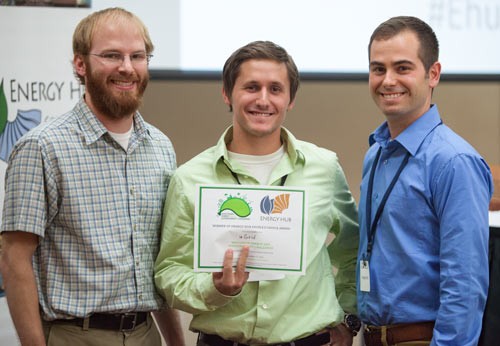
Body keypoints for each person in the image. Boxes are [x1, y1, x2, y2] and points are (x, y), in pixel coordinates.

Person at [154, 40, 360, 346]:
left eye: (275, 89)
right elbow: (170, 273)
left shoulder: (324, 168)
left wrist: (347, 317)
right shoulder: (189, 178)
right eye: (251, 87)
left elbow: (353, 251)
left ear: (290, 99)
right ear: (227, 93)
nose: (263, 100)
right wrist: (215, 289)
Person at [0, 7, 185, 346]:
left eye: (137, 56)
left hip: (146, 334)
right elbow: (14, 259)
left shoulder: (160, 147)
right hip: (74, 336)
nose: (126, 67)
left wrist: (176, 341)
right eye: (112, 55)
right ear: (80, 65)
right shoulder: (41, 148)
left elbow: (157, 260)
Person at [357, 16, 493, 346]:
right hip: (373, 337)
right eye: (378, 69)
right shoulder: (376, 153)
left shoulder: (454, 161)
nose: (388, 80)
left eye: (402, 68)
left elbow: (465, 282)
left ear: (433, 74)